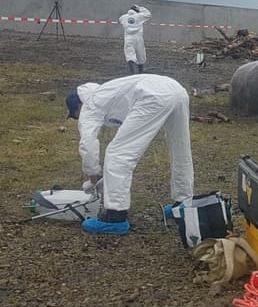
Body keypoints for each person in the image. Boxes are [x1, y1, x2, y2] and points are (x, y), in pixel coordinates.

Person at [66, 74, 194, 234]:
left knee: (117, 154)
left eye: (74, 115)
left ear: (78, 106)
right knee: (180, 146)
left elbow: (87, 143)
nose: (77, 118)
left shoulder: (90, 105)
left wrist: (93, 175)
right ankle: (184, 204)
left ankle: (115, 217)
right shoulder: (106, 93)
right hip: (176, 89)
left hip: (153, 96)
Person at [118, 4, 152, 75]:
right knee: (140, 56)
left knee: (130, 55)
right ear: (137, 10)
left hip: (128, 38)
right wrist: (140, 8)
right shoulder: (139, 16)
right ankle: (140, 73)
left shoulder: (123, 17)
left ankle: (133, 73)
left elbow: (120, 20)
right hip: (138, 38)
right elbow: (148, 14)